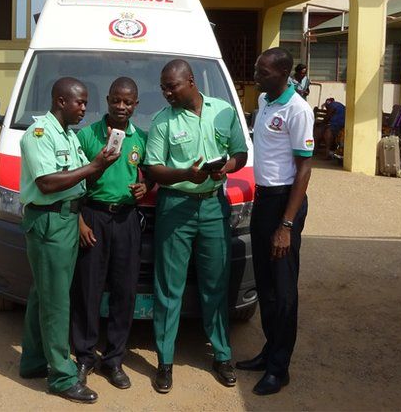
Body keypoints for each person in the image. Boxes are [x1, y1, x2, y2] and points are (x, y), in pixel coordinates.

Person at [143, 59, 249, 393]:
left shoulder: (224, 112)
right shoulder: (163, 121)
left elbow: (240, 154)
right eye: (163, 87)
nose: (166, 93)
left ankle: (221, 355)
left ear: (190, 81)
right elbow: (154, 169)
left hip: (214, 207)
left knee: (215, 283)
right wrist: (186, 174)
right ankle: (165, 362)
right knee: (169, 287)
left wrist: (226, 167)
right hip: (176, 205)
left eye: (171, 86)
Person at [17, 77, 119, 404]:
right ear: (61, 100)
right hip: (49, 222)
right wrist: (93, 166)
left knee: (42, 295)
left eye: (86, 103)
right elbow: (47, 183)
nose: (85, 109)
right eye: (80, 102)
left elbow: (79, 183)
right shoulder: (39, 135)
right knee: (57, 301)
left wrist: (101, 165)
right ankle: (61, 377)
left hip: (67, 220)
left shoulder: (69, 136)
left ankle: (33, 360)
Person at [235, 47, 313, 396]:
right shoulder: (267, 101)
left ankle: (280, 368)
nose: (257, 76)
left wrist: (286, 225)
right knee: (265, 285)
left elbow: (304, 169)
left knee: (283, 292)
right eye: (256, 69)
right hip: (264, 200)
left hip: (285, 204)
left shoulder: (298, 109)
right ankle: (269, 351)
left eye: (263, 72)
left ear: (283, 74)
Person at [71, 77, 147, 391]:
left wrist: (145, 187)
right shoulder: (87, 136)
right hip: (94, 217)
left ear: (135, 105)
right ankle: (85, 355)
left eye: (127, 102)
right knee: (87, 288)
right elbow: (72, 183)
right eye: (116, 100)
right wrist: (79, 222)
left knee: (124, 290)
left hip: (127, 219)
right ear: (107, 99)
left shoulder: (140, 138)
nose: (121, 107)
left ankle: (114, 358)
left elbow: (147, 176)